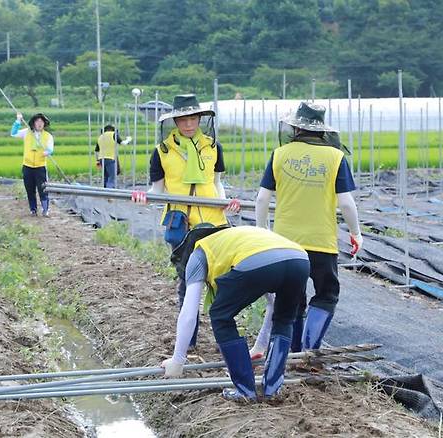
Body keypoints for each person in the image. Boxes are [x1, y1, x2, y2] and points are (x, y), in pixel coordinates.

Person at [131, 94, 240, 347]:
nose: (189, 125)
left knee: (219, 279)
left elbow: (216, 184)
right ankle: (188, 340)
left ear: (200, 119)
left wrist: (227, 203)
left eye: (193, 118)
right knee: (188, 281)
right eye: (183, 120)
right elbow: (158, 190)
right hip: (181, 223)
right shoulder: (162, 152)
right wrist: (143, 197)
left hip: (213, 221)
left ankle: (223, 335)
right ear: (175, 122)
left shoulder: (213, 147)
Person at [254, 102, 362, 355]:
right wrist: (355, 233)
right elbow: (346, 202)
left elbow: (261, 199)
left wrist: (262, 233)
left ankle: (290, 355)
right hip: (321, 242)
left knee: (291, 299)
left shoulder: (280, 154)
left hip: (284, 244)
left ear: (295, 128)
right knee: (326, 294)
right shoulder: (336, 157)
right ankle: (310, 350)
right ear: (322, 131)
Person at [160, 226, 310, 401]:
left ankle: (245, 390)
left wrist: (177, 361)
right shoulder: (238, 239)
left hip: (260, 260)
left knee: (220, 315)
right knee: (284, 320)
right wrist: (260, 346)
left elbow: (189, 313)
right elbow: (273, 303)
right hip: (300, 259)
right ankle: (272, 388)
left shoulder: (199, 252)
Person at [11, 112, 54, 217]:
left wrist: (47, 152)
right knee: (30, 189)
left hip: (40, 166)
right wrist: (18, 121)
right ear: (33, 123)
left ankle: (45, 209)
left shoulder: (48, 136)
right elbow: (13, 133)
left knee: (43, 189)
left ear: (44, 124)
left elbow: (50, 149)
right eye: (37, 121)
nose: (39, 124)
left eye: (41, 122)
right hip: (27, 166)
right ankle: (33, 210)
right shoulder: (27, 132)